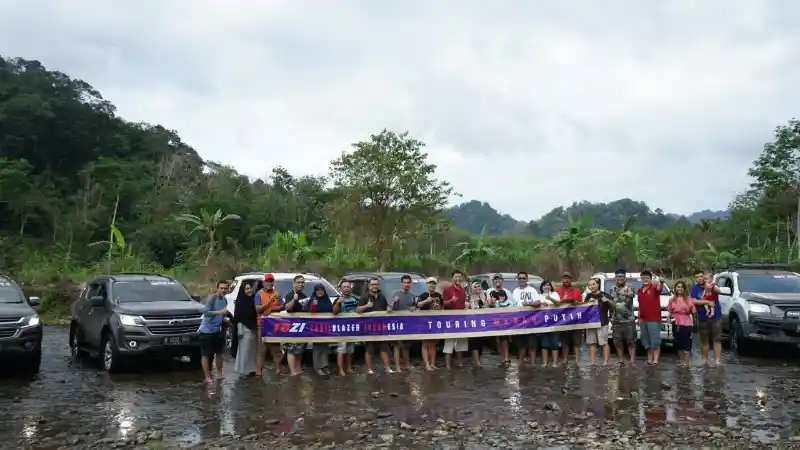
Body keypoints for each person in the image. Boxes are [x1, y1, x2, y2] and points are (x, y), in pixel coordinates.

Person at [356, 278, 393, 374]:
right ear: (369, 286)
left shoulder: (381, 296)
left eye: (376, 284)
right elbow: (358, 310)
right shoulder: (364, 297)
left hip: (381, 326)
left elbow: (386, 307)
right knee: (370, 349)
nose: (374, 286)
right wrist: (366, 306)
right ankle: (369, 369)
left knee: (384, 347)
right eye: (373, 284)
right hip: (368, 327)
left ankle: (387, 368)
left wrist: (389, 307)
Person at [199, 281, 230, 385]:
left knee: (219, 353)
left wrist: (225, 321)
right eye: (221, 288)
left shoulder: (225, 300)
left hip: (218, 330)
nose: (223, 290)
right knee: (206, 354)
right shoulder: (212, 298)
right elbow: (206, 312)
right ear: (217, 288)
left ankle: (220, 374)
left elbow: (221, 315)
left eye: (225, 288)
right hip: (206, 331)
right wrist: (219, 312)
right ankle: (207, 376)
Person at [690, 270, 722, 366]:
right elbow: (693, 301)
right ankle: (704, 360)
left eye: (701, 276)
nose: (699, 278)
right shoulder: (694, 288)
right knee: (704, 341)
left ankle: (717, 361)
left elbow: (718, 290)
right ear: (695, 279)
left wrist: (715, 287)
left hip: (716, 316)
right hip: (702, 317)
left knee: (717, 339)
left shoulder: (711, 285)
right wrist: (706, 302)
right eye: (697, 277)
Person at [255, 273, 283, 376]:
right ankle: (259, 372)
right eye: (267, 281)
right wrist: (269, 303)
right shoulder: (259, 294)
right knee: (261, 350)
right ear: (263, 282)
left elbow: (282, 306)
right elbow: (258, 309)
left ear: (273, 282)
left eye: (271, 281)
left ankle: (278, 369)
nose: (269, 283)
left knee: (276, 349)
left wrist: (271, 309)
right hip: (261, 325)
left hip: (275, 325)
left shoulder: (277, 293)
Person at [282, 275, 308, 376]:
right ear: (294, 283)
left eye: (302, 282)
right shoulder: (289, 295)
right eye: (299, 282)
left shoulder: (304, 296)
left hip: (302, 326)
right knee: (291, 349)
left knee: (299, 349)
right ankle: (293, 372)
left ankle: (298, 369)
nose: (301, 284)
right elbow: (288, 308)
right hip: (291, 327)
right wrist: (294, 299)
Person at [512, 271, 540, 368]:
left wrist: (527, 304)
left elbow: (538, 303)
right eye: (520, 278)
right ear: (517, 280)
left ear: (527, 279)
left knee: (532, 344)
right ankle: (521, 364)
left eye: (524, 278)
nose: (522, 280)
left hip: (531, 321)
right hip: (519, 322)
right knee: (521, 345)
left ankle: (532, 364)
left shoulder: (532, 290)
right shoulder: (515, 291)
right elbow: (513, 306)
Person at [390, 274, 417, 372]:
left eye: (408, 283)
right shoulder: (396, 294)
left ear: (410, 283)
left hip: (408, 324)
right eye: (404, 282)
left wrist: (414, 308)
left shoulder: (412, 295)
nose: (406, 284)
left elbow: (414, 307)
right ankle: (397, 367)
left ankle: (407, 365)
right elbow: (389, 308)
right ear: (401, 283)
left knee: (406, 346)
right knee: (397, 345)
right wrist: (394, 302)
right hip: (397, 323)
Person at [609, 269, 636, 365]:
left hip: (628, 319)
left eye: (621, 276)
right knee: (617, 341)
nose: (619, 278)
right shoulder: (612, 289)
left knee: (631, 341)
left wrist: (621, 293)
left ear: (625, 278)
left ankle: (632, 360)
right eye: (618, 277)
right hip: (616, 319)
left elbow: (628, 300)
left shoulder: (630, 287)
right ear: (615, 278)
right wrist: (611, 317)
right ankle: (620, 360)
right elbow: (612, 304)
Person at [583, 278, 612, 366]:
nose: (592, 286)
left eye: (594, 284)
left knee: (604, 343)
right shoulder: (588, 296)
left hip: (602, 322)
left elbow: (613, 307)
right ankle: (593, 362)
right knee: (592, 343)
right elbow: (584, 309)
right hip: (591, 323)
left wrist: (608, 301)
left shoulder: (604, 295)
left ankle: (606, 362)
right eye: (590, 285)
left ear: (598, 285)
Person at [442, 270, 468, 369]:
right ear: (452, 278)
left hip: (461, 320)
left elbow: (463, 303)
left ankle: (460, 363)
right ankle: (448, 366)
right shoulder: (447, 290)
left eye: (460, 277)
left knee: (461, 343)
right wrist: (450, 301)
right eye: (456, 277)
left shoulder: (462, 290)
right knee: (449, 343)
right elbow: (443, 304)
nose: (458, 279)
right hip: (450, 321)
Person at [332, 279, 359, 375]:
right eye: (345, 287)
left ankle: (349, 367)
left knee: (350, 349)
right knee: (341, 349)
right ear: (341, 289)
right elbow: (334, 312)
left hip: (352, 327)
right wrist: (338, 303)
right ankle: (340, 369)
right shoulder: (338, 299)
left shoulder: (354, 299)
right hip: (341, 328)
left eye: (348, 287)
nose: (347, 289)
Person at [555, 272, 583, 365]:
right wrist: (563, 301)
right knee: (564, 341)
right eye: (564, 278)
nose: (566, 280)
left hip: (575, 319)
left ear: (571, 280)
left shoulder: (576, 290)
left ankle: (577, 360)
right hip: (563, 319)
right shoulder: (557, 291)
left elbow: (580, 303)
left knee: (577, 341)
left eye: (568, 278)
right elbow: (555, 304)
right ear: (561, 279)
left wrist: (573, 301)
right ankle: (565, 359)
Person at [637, 270, 664, 365]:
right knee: (646, 340)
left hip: (654, 319)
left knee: (655, 339)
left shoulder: (654, 288)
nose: (645, 280)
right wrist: (639, 318)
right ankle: (649, 358)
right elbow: (640, 305)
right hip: (643, 319)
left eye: (647, 278)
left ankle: (656, 359)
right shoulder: (639, 290)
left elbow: (660, 289)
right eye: (643, 278)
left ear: (650, 279)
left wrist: (661, 282)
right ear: (641, 279)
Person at [416, 277, 443, 370]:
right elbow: (418, 305)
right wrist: (426, 301)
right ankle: (426, 364)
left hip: (435, 321)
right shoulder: (423, 295)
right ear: (427, 285)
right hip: (424, 321)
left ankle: (432, 363)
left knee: (433, 343)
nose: (432, 285)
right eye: (430, 283)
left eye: (433, 284)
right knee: (425, 343)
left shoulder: (438, 295)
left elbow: (442, 307)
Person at [233, 282, 259, 377]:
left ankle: (252, 370)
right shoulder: (240, 302)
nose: (249, 290)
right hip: (244, 330)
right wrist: (239, 329)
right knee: (244, 351)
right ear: (243, 291)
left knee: (252, 352)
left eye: (250, 288)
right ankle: (242, 371)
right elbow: (238, 317)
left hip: (253, 329)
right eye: (247, 289)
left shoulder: (254, 300)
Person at [668, 281, 696, 366]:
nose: (679, 289)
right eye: (678, 287)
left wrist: (691, 306)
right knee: (678, 343)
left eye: (681, 287)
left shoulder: (688, 299)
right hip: (676, 323)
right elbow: (670, 311)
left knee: (686, 343)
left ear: (684, 289)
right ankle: (681, 360)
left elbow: (693, 311)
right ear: (675, 288)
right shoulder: (672, 299)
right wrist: (669, 318)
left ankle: (686, 362)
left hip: (686, 323)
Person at [308, 283, 333, 375]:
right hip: (316, 327)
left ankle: (324, 365)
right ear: (315, 291)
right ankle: (317, 367)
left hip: (326, 327)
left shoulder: (327, 299)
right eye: (317, 290)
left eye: (321, 290)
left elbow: (331, 309)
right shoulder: (312, 299)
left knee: (325, 347)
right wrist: (314, 305)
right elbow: (310, 312)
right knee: (317, 347)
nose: (320, 292)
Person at [537, 280, 561, 367]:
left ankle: (555, 363)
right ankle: (545, 363)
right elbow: (535, 306)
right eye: (544, 285)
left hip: (554, 322)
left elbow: (559, 304)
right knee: (544, 343)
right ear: (542, 287)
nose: (546, 287)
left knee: (555, 343)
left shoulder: (555, 294)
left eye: (548, 285)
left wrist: (550, 298)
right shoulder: (539, 296)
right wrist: (540, 303)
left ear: (551, 287)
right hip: (543, 322)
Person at [467, 281, 488, 368]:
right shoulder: (469, 297)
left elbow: (487, 308)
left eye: (478, 286)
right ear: (472, 289)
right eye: (475, 287)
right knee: (474, 342)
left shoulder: (484, 296)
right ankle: (477, 363)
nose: (477, 288)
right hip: (473, 322)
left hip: (482, 323)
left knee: (481, 342)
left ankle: (479, 360)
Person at [490, 287, 513, 365]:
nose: (501, 297)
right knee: (498, 341)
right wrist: (494, 302)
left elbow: (511, 309)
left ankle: (506, 357)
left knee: (505, 340)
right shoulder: (496, 303)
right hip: (497, 325)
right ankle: (503, 357)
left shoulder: (509, 302)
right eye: (499, 296)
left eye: (503, 295)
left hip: (507, 325)